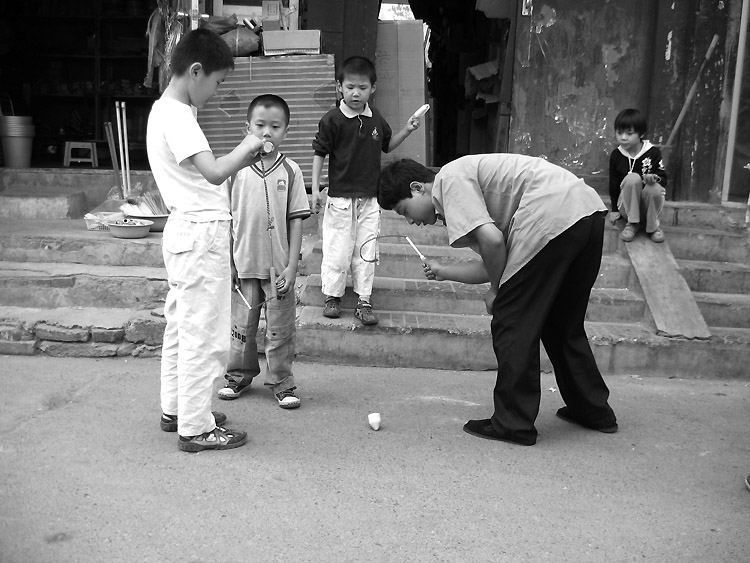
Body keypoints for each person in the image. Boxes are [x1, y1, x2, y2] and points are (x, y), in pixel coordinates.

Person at [378, 155, 618, 446]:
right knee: (561, 323)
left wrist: (496, 292)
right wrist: (445, 272)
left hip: (549, 218)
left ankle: (513, 423)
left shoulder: (448, 181)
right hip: (585, 212)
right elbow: (499, 261)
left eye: (404, 210)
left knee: (511, 320)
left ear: (418, 188)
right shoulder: (472, 185)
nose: (411, 221)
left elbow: (493, 244)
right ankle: (593, 411)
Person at [146, 28, 264, 452]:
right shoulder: (178, 116)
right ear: (195, 71)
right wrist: (250, 144)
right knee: (205, 334)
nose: (216, 92)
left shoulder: (166, 111)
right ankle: (196, 428)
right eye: (217, 82)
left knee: (182, 326)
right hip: (199, 235)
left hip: (187, 231)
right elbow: (215, 172)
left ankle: (178, 409)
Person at [311, 55, 422, 325]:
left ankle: (364, 301)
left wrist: (407, 130)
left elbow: (388, 144)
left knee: (366, 249)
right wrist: (315, 189)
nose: (355, 93)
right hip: (339, 199)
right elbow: (319, 153)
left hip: (370, 199)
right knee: (337, 249)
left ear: (373, 88)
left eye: (362, 87)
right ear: (339, 87)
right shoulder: (332, 120)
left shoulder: (376, 119)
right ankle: (332, 297)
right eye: (349, 87)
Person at [217, 94, 311, 408]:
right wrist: (228, 262)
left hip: (279, 271)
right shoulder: (234, 170)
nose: (267, 132)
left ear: (286, 130)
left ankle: (282, 382)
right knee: (240, 328)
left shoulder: (292, 171)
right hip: (243, 265)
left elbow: (297, 221)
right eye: (260, 126)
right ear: (248, 128)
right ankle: (237, 377)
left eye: (275, 126)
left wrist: (292, 267)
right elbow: (226, 220)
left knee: (281, 330)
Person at [609, 108, 668, 243]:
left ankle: (653, 227)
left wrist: (654, 179)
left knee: (654, 187)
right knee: (632, 178)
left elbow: (663, 178)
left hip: (648, 206)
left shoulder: (653, 153)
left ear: (641, 134)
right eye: (619, 133)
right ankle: (632, 223)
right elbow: (613, 183)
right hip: (626, 207)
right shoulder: (616, 155)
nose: (623, 137)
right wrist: (613, 209)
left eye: (629, 133)